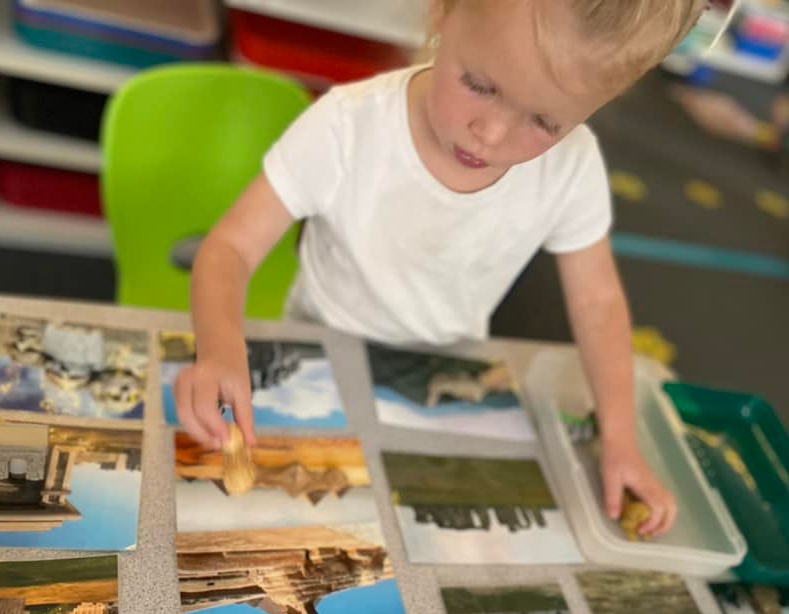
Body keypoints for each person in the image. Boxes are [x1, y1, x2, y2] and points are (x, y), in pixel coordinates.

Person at [175, 0, 709, 537]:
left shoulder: (571, 167)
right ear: (442, 12)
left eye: (545, 121)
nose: (492, 133)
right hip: (318, 359)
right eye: (480, 84)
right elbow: (231, 249)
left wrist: (619, 440)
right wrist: (220, 349)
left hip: (442, 379)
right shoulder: (348, 124)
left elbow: (599, 303)